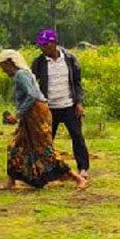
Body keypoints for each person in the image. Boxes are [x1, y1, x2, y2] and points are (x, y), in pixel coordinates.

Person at [0, 50, 88, 191]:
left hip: (36, 113)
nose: (3, 70)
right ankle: (11, 181)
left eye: (3, 66)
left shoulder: (21, 75)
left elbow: (32, 96)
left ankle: (78, 178)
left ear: (10, 62)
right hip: (31, 113)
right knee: (16, 146)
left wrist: (17, 115)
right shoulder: (21, 75)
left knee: (45, 150)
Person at [30, 29, 90, 178]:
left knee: (77, 137)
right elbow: (32, 84)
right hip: (49, 108)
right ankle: (46, 169)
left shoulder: (70, 59)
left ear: (55, 43)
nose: (43, 48)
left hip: (69, 106)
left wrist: (79, 102)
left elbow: (77, 83)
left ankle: (83, 168)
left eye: (46, 45)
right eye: (41, 45)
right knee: (46, 140)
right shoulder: (39, 63)